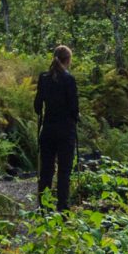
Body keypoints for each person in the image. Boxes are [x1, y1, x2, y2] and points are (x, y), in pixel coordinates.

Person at [34, 44, 79, 213]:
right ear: (68, 60)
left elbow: (37, 106)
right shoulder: (69, 79)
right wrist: (75, 118)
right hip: (66, 130)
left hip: (48, 129)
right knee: (64, 170)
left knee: (46, 169)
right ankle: (63, 208)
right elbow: (74, 107)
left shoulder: (44, 78)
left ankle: (44, 206)